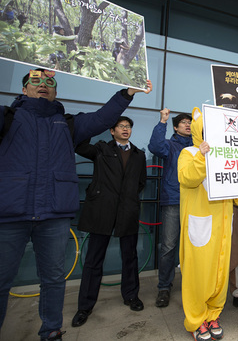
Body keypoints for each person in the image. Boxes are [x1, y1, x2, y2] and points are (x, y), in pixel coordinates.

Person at [0, 25, 152, 341]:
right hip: (7, 217)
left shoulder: (68, 124)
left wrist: (127, 92)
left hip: (54, 218)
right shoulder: (4, 118)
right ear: (24, 90)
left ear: (55, 91)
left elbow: (102, 118)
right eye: (36, 81)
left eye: (49, 82)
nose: (43, 85)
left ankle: (51, 331)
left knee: (54, 279)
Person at [71, 116, 147, 328]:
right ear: (112, 131)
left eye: (128, 126)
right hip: (102, 209)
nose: (125, 129)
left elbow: (141, 182)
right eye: (121, 126)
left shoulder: (139, 155)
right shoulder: (100, 149)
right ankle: (84, 306)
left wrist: (129, 197)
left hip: (127, 210)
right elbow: (78, 145)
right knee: (94, 259)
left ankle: (131, 296)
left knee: (130, 257)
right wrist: (96, 124)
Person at [178, 107, 238, 341]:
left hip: (224, 227)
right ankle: (195, 320)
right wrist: (202, 156)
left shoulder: (227, 153)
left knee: (219, 275)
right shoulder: (189, 152)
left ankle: (213, 315)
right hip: (201, 226)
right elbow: (187, 178)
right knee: (198, 276)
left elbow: (233, 188)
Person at [148, 108, 193, 307]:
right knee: (168, 247)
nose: (188, 124)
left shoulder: (199, 146)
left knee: (194, 246)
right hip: (174, 201)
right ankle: (164, 287)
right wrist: (162, 122)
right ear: (176, 127)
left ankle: (193, 286)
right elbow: (155, 146)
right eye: (183, 122)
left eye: (190, 122)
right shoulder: (170, 145)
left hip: (197, 203)